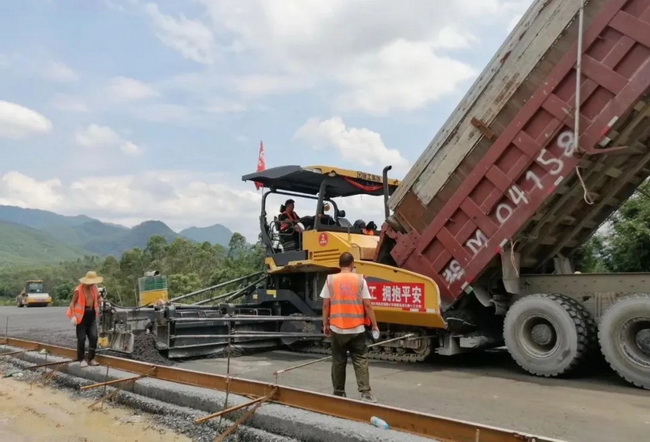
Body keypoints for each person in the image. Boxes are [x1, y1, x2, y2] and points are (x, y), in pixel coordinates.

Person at [320, 252, 379, 402]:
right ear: (352, 264)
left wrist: (325, 323)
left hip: (337, 328)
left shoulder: (330, 280)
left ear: (339, 264)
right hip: (357, 329)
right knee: (360, 360)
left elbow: (326, 304)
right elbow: (367, 305)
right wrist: (375, 325)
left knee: (338, 361)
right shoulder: (360, 280)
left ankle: (339, 393)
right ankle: (365, 393)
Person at [67, 270, 103, 367]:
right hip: (81, 318)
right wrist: (73, 316)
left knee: (94, 337)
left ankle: (90, 358)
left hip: (91, 316)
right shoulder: (78, 290)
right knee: (81, 338)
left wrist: (100, 300)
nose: (92, 284)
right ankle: (81, 359)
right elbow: (72, 303)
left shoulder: (94, 288)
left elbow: (98, 298)